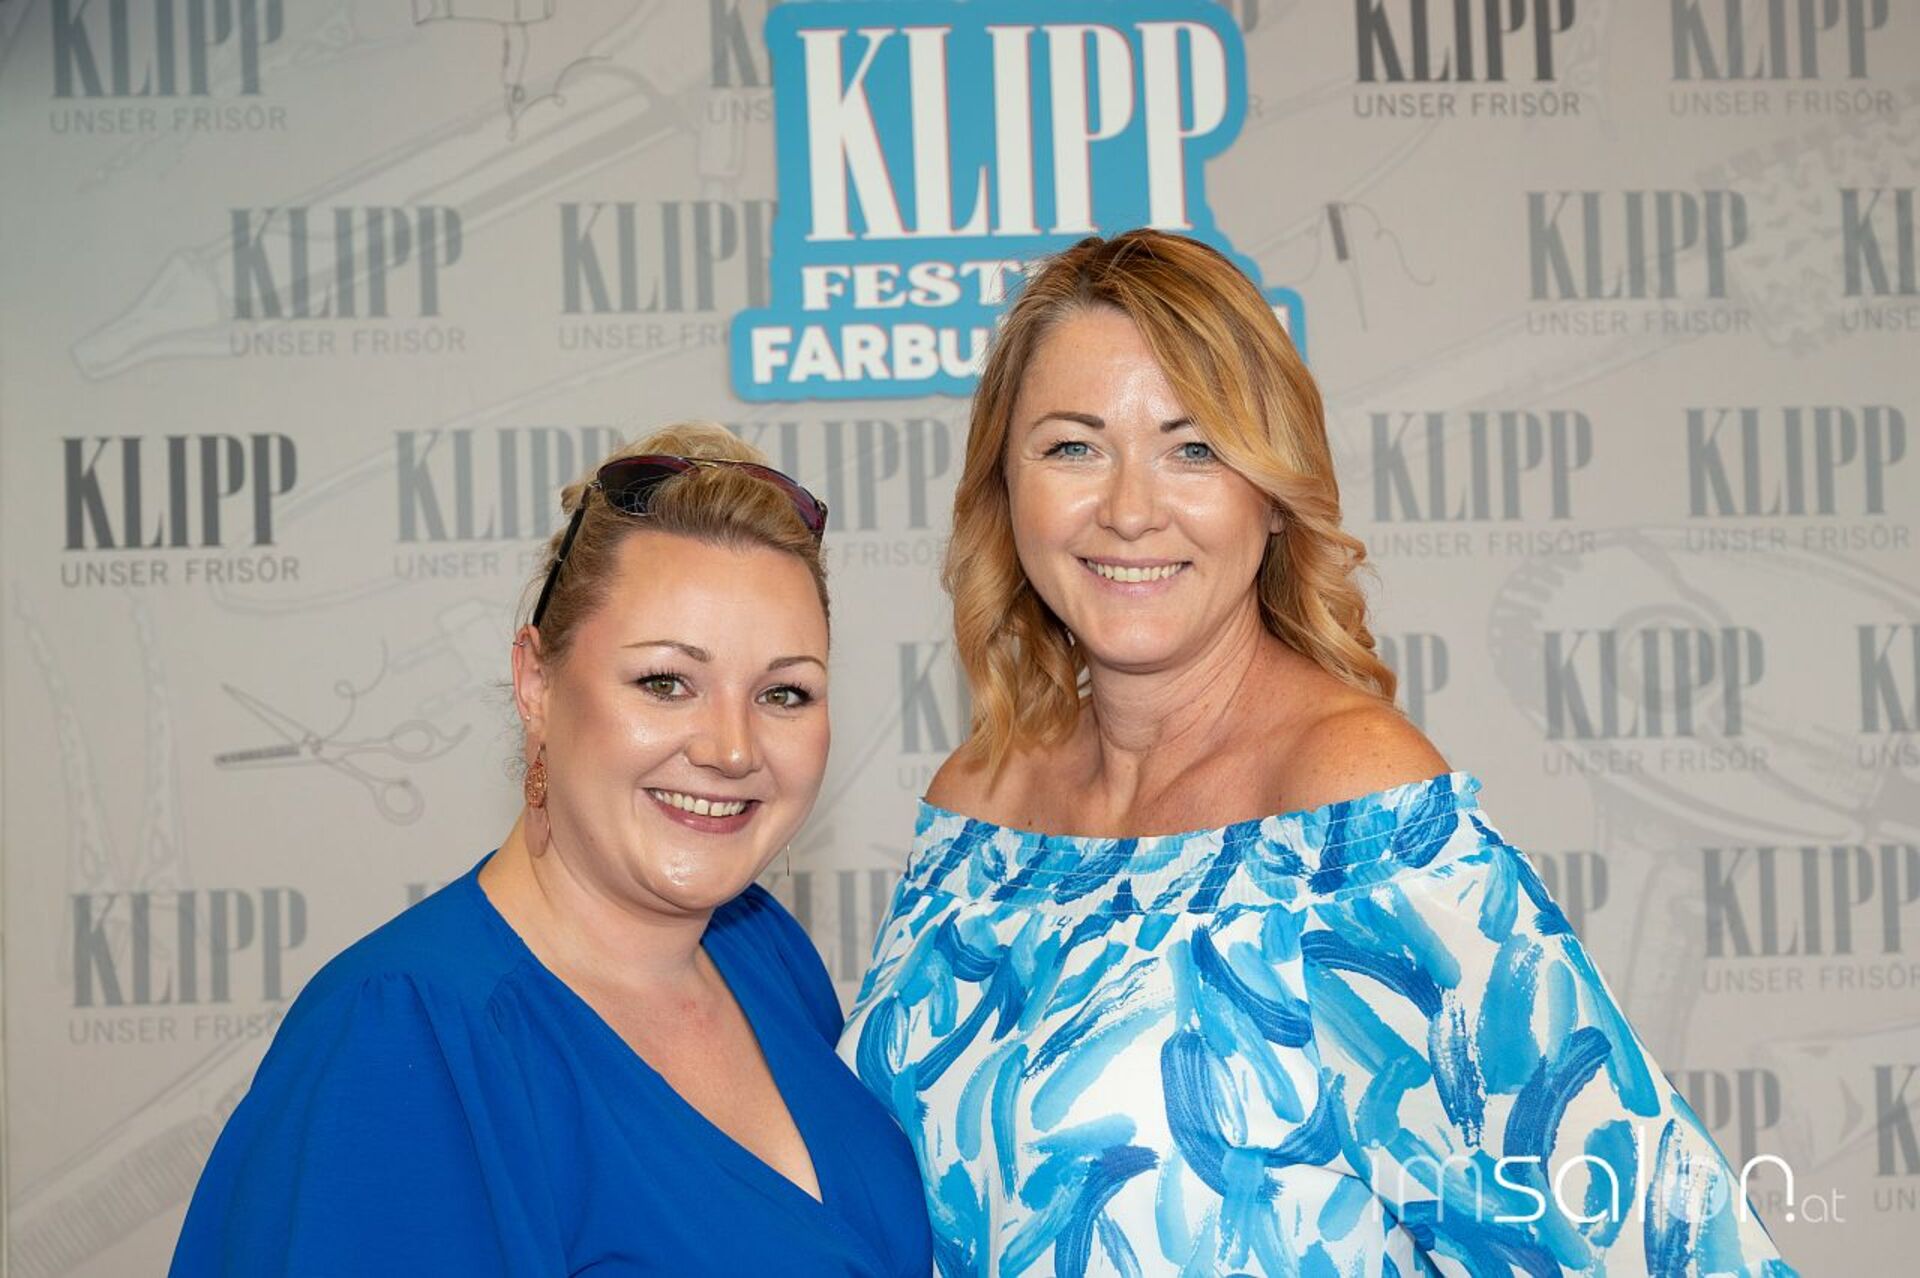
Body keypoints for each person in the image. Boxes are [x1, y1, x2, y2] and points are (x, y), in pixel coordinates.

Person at [839, 232, 1797, 1277]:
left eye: (1195, 449)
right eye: (1073, 447)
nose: (1129, 510)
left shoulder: (1350, 808)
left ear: (1272, 496)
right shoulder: (976, 805)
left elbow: (1664, 1239)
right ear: (1003, 484)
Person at [172, 424, 932, 1276]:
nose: (731, 748)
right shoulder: (402, 1036)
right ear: (536, 683)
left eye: (784, 693)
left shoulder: (761, 951)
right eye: (665, 682)